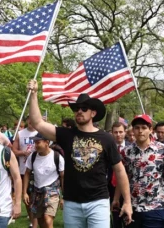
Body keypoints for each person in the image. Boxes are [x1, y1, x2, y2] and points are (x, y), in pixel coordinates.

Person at [27, 79, 132, 227]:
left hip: (98, 202)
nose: (79, 111)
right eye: (77, 109)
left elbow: (120, 170)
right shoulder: (66, 134)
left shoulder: (106, 138)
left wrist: (127, 202)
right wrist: (33, 94)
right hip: (72, 203)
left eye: (84, 108)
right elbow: (37, 123)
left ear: (93, 113)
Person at [116, 114, 164, 227]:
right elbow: (123, 177)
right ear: (133, 130)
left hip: (155, 207)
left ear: (150, 129)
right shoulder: (126, 152)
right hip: (132, 207)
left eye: (144, 127)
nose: (140, 131)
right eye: (137, 128)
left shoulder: (162, 150)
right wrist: (116, 198)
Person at [23, 133, 65, 228]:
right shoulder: (33, 156)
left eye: (38, 142)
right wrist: (24, 192)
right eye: (35, 143)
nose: (35, 145)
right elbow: (27, 173)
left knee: (47, 219)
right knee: (41, 221)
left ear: (47, 142)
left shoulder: (57, 157)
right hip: (37, 192)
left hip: (52, 191)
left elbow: (63, 177)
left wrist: (63, 197)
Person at [12, 115, 38, 228]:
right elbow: (14, 150)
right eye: (30, 120)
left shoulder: (41, 132)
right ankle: (32, 220)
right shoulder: (20, 134)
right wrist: (23, 153)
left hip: (39, 170)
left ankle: (38, 219)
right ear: (27, 121)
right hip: (24, 170)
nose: (31, 122)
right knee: (26, 196)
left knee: (38, 197)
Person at [109, 121, 130, 228]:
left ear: (125, 132)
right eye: (115, 132)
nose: (118, 135)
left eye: (121, 132)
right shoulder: (107, 148)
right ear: (112, 133)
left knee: (128, 218)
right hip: (111, 186)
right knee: (115, 217)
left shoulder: (131, 148)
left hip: (128, 187)